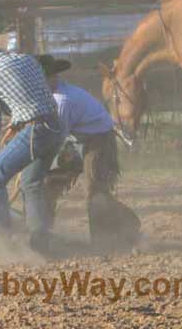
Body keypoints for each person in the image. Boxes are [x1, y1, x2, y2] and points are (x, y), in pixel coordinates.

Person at [0, 33, 63, 253]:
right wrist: (18, 122)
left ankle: (2, 241)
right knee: (31, 182)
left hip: (35, 131)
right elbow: (32, 96)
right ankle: (40, 244)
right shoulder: (28, 60)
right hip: (56, 126)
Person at [38, 54, 140, 252]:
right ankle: (43, 235)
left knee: (95, 191)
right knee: (50, 182)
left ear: (51, 78)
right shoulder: (54, 96)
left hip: (99, 140)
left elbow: (56, 137)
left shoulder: (62, 100)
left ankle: (103, 241)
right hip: (78, 140)